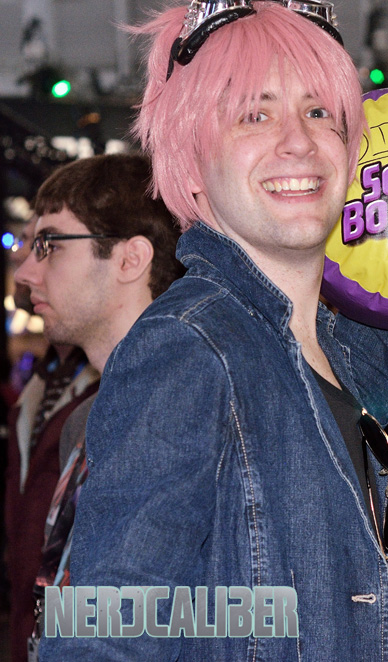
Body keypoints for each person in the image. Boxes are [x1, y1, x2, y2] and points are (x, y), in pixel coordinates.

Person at [41, 3, 388, 661]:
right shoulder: (187, 348)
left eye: (319, 112)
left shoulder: (341, 350)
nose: (299, 141)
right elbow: (103, 632)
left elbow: (357, 612)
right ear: (191, 163)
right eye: (254, 115)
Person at [11, 154, 184, 660]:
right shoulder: (87, 421)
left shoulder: (196, 413)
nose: (26, 272)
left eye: (49, 245)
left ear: (130, 259)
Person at [4, 215, 99, 662]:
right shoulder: (43, 380)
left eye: (45, 245)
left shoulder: (114, 385)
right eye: (27, 243)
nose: (24, 265)